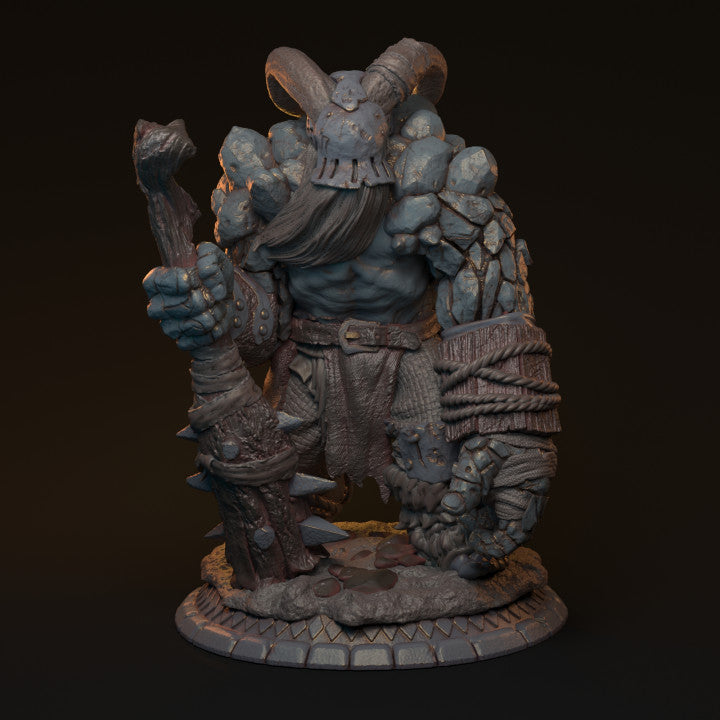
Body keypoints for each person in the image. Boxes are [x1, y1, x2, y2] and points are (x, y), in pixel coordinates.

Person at [143, 39, 560, 580]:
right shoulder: (275, 186)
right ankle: (290, 553)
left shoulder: (431, 184)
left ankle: (441, 539)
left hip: (410, 358)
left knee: (442, 493)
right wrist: (218, 300)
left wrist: (510, 423)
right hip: (308, 361)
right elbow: (260, 327)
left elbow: (487, 303)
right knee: (272, 472)